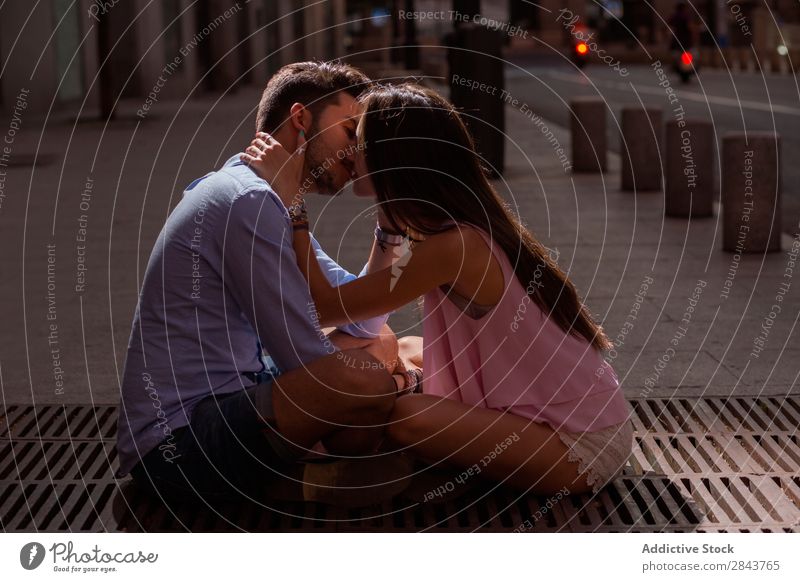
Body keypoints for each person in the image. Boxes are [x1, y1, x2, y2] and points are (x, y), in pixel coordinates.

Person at [242, 83, 633, 496]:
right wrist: (390, 219)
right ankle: (393, 415)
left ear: (394, 156)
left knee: (406, 415)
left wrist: (292, 203)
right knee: (405, 347)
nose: (348, 153)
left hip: (580, 445)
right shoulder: (449, 229)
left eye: (358, 139)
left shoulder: (455, 245)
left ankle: (338, 472)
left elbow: (326, 306)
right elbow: (364, 311)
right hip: (571, 419)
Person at [116, 61, 420, 501]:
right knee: (365, 377)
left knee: (385, 346)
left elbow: (361, 318)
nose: (356, 152)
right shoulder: (250, 202)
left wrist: (390, 223)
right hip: (176, 446)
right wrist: (394, 382)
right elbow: (304, 358)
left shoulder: (262, 196)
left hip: (229, 402)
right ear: (301, 119)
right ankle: (307, 479)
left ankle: (315, 468)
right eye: (349, 131)